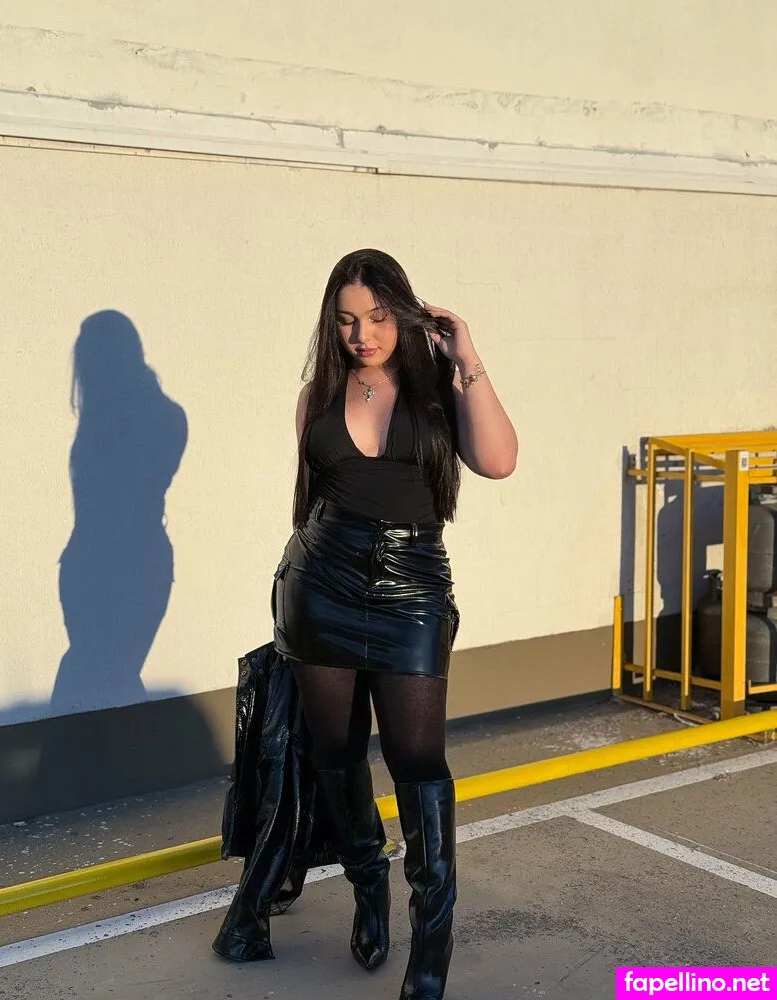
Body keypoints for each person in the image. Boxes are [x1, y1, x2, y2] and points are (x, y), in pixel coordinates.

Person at [264, 248, 518, 1000]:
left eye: (377, 317)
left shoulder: (440, 388)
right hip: (322, 587)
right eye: (346, 320)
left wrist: (467, 357)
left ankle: (430, 949)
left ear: (402, 314)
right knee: (336, 754)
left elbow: (499, 461)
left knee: (418, 761)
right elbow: (307, 502)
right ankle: (368, 885)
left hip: (412, 591)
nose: (362, 335)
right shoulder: (317, 395)